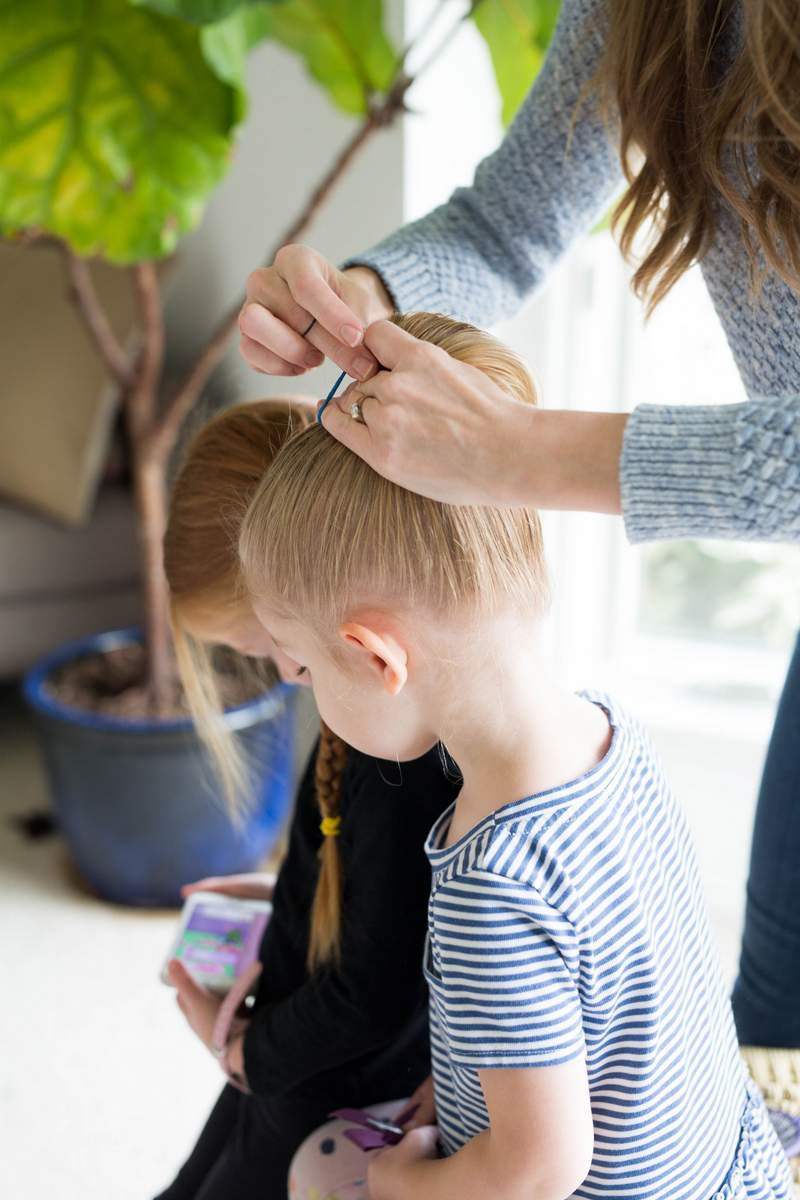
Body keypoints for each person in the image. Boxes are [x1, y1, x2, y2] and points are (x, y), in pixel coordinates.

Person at [237, 0, 800, 1051]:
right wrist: (361, 300)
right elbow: (508, 223)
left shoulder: (490, 879)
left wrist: (517, 450)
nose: (286, 678)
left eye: (298, 663)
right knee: (776, 1035)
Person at [239, 311, 793, 1200]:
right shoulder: (612, 737)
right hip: (727, 1166)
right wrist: (474, 1088)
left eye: (304, 664)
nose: (306, 690)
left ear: (379, 659)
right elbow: (619, 1013)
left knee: (317, 1177)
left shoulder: (491, 872)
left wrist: (402, 1187)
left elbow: (536, 1174)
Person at [153, 398, 459, 1199]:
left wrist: (245, 1053)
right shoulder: (354, 729)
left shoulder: (396, 759)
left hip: (339, 1086)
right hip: (302, 1058)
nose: (288, 676)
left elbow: (376, 986)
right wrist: (284, 898)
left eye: (273, 650)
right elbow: (369, 892)